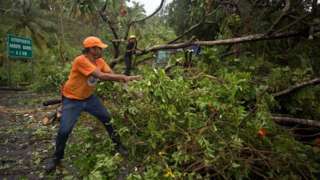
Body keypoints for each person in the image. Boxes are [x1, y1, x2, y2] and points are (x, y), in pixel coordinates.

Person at [45, 36, 140, 172]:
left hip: (89, 98)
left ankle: (118, 145)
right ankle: (56, 158)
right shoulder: (80, 60)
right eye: (99, 48)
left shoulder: (100, 61)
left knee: (107, 119)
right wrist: (124, 77)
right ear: (91, 49)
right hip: (72, 99)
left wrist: (127, 85)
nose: (101, 50)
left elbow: (109, 74)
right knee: (64, 130)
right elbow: (101, 76)